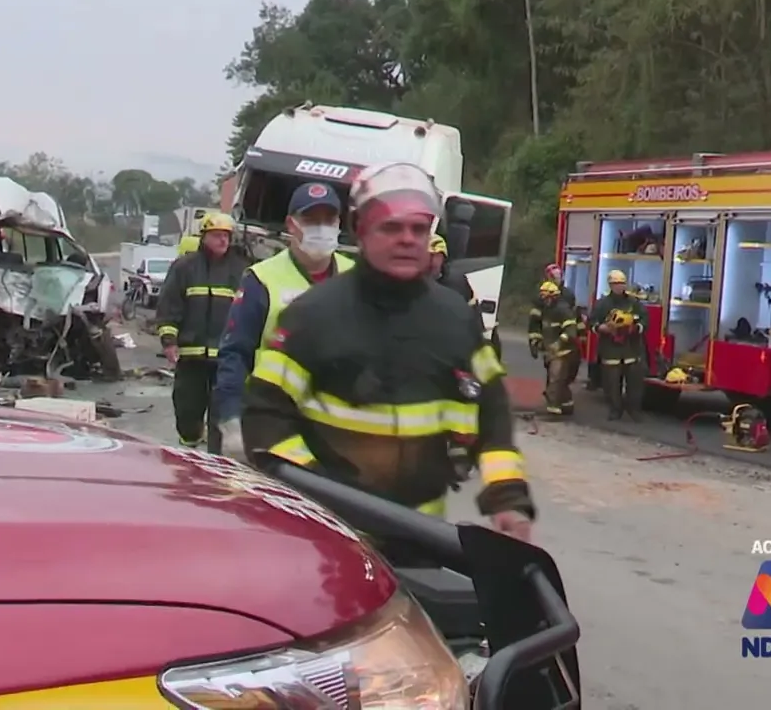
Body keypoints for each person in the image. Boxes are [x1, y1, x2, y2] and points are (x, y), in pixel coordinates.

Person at [239, 162, 534, 541]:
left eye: (419, 228)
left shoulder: (456, 318)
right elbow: (265, 414)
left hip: (423, 537)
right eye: (391, 227)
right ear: (361, 230)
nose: (408, 239)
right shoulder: (313, 315)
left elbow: (491, 410)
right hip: (328, 536)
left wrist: (506, 497)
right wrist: (315, 490)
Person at [213, 182, 354, 460]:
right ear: (291, 224)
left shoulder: (356, 277)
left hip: (338, 426)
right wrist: (231, 421)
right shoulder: (261, 279)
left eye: (329, 220)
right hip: (275, 423)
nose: (321, 228)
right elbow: (235, 354)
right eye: (311, 220)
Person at [155, 212, 250, 449]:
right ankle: (189, 453)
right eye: (217, 235)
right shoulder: (185, 267)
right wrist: (169, 340)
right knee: (187, 412)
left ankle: (215, 463)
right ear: (204, 236)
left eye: (226, 236)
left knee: (222, 417)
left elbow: (249, 312)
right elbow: (169, 305)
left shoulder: (242, 269)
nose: (223, 241)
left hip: (226, 358)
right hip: (191, 357)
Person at [588, 269, 648, 421]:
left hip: (631, 348)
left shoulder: (633, 302)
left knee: (635, 384)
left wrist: (636, 328)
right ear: (610, 285)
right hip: (611, 349)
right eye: (616, 284)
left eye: (622, 284)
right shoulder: (603, 304)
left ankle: (634, 410)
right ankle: (615, 410)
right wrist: (602, 328)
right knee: (611, 384)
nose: (620, 287)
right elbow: (592, 322)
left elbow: (645, 319)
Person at [529, 281, 579, 417]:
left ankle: (553, 411)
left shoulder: (563, 310)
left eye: (546, 298)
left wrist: (559, 343)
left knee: (555, 380)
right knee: (560, 382)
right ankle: (567, 407)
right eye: (543, 298)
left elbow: (571, 331)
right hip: (552, 353)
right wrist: (535, 343)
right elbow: (537, 329)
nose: (544, 301)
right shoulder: (546, 310)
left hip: (564, 352)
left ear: (553, 297)